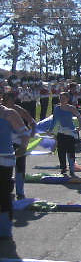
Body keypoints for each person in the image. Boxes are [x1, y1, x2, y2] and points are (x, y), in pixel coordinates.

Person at [0, 101, 29, 240]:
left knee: (4, 193)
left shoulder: (9, 113)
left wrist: (23, 147)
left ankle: (5, 228)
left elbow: (24, 133)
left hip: (4, 158)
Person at [2, 90, 36, 200]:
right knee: (6, 169)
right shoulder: (2, 110)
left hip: (18, 142)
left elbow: (31, 121)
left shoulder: (16, 110)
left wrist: (33, 131)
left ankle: (20, 192)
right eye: (6, 99)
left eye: (10, 99)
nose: (8, 101)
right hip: (6, 143)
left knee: (20, 167)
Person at [52, 91, 81, 177]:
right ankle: (63, 168)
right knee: (61, 151)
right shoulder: (56, 108)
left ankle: (72, 168)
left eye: (64, 98)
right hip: (60, 132)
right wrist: (53, 132)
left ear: (67, 99)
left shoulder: (71, 108)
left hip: (70, 133)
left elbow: (79, 117)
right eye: (61, 98)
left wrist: (80, 126)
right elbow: (54, 121)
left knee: (71, 151)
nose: (62, 100)